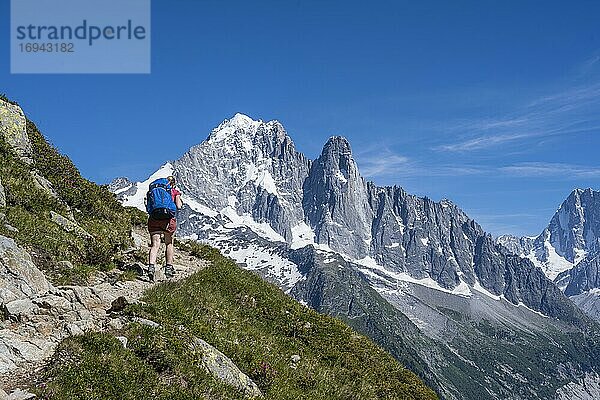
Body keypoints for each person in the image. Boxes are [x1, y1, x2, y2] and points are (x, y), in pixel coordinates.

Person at [147, 175, 183, 281]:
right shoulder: (174, 191)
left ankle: (151, 267)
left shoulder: (153, 190)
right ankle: (168, 268)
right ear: (173, 184)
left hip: (154, 219)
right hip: (168, 220)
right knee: (169, 243)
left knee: (155, 245)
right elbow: (179, 206)